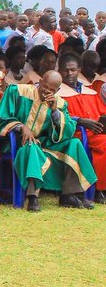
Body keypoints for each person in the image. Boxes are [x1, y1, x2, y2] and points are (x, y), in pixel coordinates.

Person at [0, 71, 97, 211]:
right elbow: (1, 117)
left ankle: (69, 194)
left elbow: (67, 131)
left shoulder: (60, 104)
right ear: (41, 81)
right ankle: (32, 197)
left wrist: (55, 112)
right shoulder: (18, 91)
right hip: (20, 142)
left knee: (75, 143)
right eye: (46, 87)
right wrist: (20, 126)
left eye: (52, 90)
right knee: (32, 145)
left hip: (46, 143)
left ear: (58, 90)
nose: (47, 92)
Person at [55, 52, 106, 201]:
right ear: (60, 71)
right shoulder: (57, 93)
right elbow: (58, 117)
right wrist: (81, 121)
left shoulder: (90, 92)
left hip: (97, 133)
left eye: (73, 70)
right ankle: (100, 190)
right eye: (65, 70)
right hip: (75, 134)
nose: (69, 73)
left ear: (79, 70)